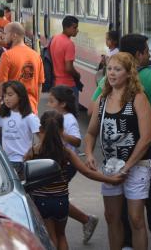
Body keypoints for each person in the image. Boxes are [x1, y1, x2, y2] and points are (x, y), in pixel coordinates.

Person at [92, 34, 151, 250]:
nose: (149, 55)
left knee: (122, 204)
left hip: (117, 154)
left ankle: (126, 243)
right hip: (149, 148)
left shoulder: (109, 80)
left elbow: (92, 109)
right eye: (146, 51)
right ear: (138, 55)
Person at [24, 110, 124, 250]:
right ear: (62, 130)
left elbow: (23, 174)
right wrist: (111, 179)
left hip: (42, 201)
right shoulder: (66, 152)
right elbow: (86, 172)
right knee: (61, 236)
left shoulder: (33, 152)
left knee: (50, 238)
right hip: (61, 200)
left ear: (40, 129)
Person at [85, 52, 151, 250]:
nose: (112, 74)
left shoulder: (138, 99)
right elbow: (90, 133)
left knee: (136, 218)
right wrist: (89, 154)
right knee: (112, 217)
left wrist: (127, 167)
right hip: (111, 168)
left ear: (129, 74)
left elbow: (146, 138)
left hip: (137, 167)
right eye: (109, 69)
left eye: (117, 69)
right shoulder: (102, 101)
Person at [48, 86, 99, 244]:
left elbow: (77, 141)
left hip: (68, 164)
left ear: (62, 104)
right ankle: (86, 219)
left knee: (55, 197)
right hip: (56, 163)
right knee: (55, 196)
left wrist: (62, 133)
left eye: (51, 101)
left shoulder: (69, 119)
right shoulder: (55, 116)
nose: (48, 104)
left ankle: (86, 219)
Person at [0, 80, 40, 177]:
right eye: (4, 96)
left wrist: (33, 150)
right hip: (5, 161)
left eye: (10, 95)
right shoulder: (2, 114)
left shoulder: (29, 117)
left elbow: (44, 137)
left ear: (20, 96)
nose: (6, 99)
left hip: (22, 162)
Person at [0, 22, 45, 114]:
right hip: (31, 109)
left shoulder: (7, 55)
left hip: (13, 109)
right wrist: (35, 105)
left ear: (14, 35)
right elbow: (39, 84)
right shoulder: (36, 56)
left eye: (5, 34)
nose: (3, 37)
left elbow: (1, 84)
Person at [49, 16, 82, 104]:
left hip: (56, 83)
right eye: (74, 27)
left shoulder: (55, 39)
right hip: (68, 86)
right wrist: (77, 75)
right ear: (67, 27)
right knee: (72, 114)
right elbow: (69, 68)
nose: (77, 30)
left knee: (60, 113)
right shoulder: (69, 44)